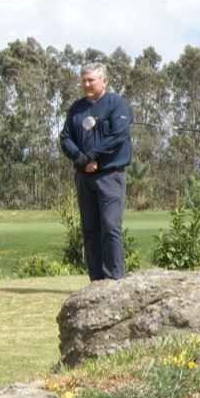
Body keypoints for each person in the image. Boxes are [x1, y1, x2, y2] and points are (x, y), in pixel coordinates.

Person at [60, 63, 134, 281]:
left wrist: (91, 156)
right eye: (83, 80)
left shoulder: (116, 104)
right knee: (90, 230)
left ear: (104, 81)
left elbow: (117, 136)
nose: (86, 84)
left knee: (111, 227)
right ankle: (96, 280)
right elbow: (65, 138)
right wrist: (81, 160)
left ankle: (114, 278)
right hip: (84, 176)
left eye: (91, 80)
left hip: (109, 175)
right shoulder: (77, 108)